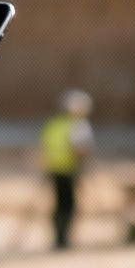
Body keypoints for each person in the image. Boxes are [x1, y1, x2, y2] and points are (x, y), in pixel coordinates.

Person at [39, 89, 96, 250]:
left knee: (59, 204)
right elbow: (80, 149)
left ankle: (59, 238)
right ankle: (62, 239)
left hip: (53, 169)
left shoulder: (55, 124)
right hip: (69, 170)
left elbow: (45, 145)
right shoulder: (78, 125)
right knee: (68, 205)